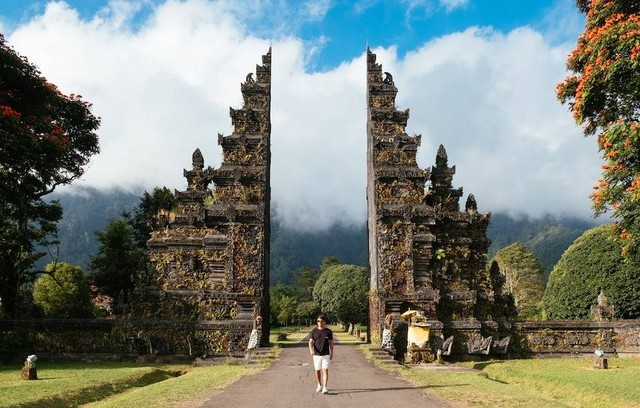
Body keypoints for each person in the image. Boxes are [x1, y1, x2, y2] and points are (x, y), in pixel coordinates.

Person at [308, 314, 334, 394]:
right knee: (317, 370)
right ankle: (319, 385)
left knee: (325, 370)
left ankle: (325, 387)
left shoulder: (328, 332)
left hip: (326, 354)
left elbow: (331, 343)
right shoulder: (314, 331)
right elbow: (310, 342)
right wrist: (311, 350)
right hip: (316, 354)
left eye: (321, 321)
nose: (319, 322)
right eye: (318, 321)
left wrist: (332, 352)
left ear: (324, 322)